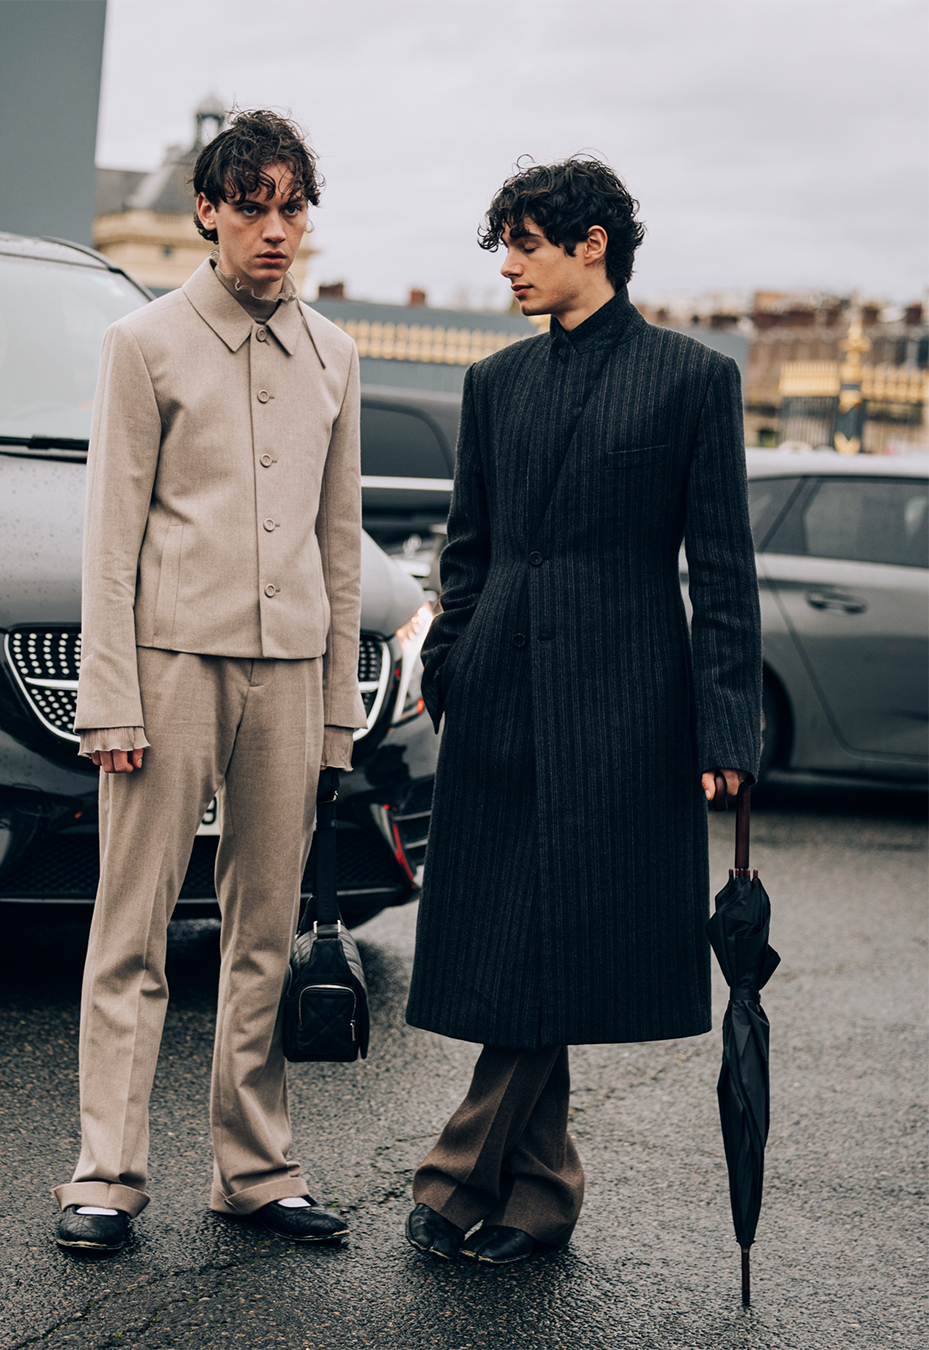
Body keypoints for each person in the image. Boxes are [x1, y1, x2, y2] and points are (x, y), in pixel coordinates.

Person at [404, 158, 761, 1265]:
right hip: (501, 699)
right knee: (519, 939)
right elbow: (467, 549)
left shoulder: (692, 378)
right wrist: (450, 661)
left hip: (622, 707)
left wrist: (727, 728)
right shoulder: (495, 382)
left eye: (525, 244)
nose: (507, 267)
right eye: (504, 246)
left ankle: (460, 1171)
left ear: (592, 243)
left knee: (564, 934)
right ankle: (543, 1190)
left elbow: (725, 569)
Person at [51, 110, 365, 1252]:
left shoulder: (337, 354)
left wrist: (338, 715)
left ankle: (256, 1169)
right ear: (210, 211)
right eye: (255, 205)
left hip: (290, 680)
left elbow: (340, 545)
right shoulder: (143, 345)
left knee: (264, 933)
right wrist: (110, 698)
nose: (276, 229)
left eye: (293, 207)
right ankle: (107, 1174)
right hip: (170, 667)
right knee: (131, 924)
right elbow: (109, 538)